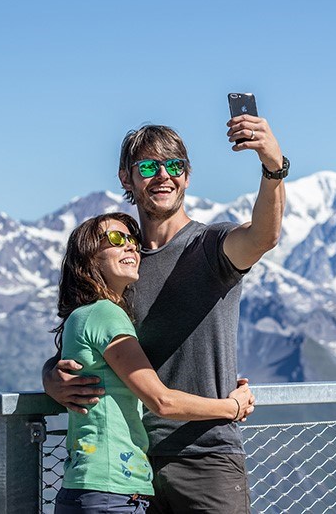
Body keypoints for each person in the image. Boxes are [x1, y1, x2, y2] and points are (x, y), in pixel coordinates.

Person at [44, 114, 287, 513]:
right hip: (132, 469)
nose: (163, 176)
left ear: (187, 177)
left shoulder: (211, 246)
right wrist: (53, 376)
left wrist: (273, 165)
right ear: (127, 178)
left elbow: (265, 236)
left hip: (206, 458)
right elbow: (89, 341)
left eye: (174, 166)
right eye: (148, 167)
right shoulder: (121, 264)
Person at [52, 212, 255, 514]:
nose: (131, 247)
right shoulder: (105, 315)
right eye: (117, 239)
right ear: (89, 258)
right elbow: (161, 401)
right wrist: (232, 407)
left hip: (95, 485)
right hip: (111, 489)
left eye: (132, 240)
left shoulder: (84, 316)